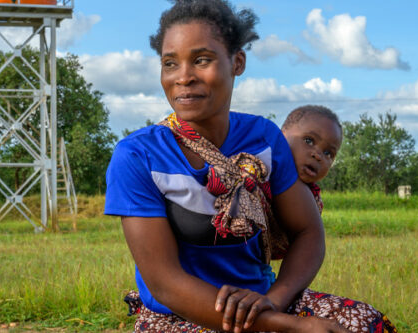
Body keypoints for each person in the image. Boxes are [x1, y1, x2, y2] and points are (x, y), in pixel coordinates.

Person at [104, 1, 395, 332]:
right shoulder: (139, 155)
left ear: (237, 62)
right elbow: (165, 283)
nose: (183, 77)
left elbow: (308, 232)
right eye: (170, 64)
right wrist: (286, 326)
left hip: (264, 300)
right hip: (179, 314)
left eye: (201, 60)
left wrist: (276, 298)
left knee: (364, 323)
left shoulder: (264, 139)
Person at [280, 105, 343, 210]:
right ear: (281, 136)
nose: (318, 156)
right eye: (308, 141)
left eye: (328, 153)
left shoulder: (314, 200)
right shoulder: (258, 175)